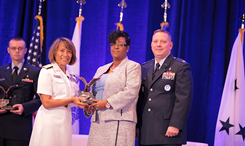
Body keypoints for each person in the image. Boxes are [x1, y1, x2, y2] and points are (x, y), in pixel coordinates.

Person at [84, 30, 141, 146]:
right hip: (98, 121)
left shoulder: (132, 67)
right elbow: (93, 93)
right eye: (113, 44)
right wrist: (89, 106)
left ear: (127, 48)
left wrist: (107, 103)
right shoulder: (101, 69)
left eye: (121, 44)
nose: (116, 47)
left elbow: (131, 91)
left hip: (119, 122)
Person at [136, 29, 193, 146]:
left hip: (168, 131)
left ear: (170, 45)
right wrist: (137, 125)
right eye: (155, 41)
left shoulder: (180, 67)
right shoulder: (144, 67)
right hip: (146, 131)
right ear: (151, 45)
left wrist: (176, 124)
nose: (158, 44)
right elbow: (140, 99)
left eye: (163, 41)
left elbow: (183, 99)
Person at [29, 37, 87, 146]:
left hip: (66, 119)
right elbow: (46, 103)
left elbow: (77, 98)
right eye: (62, 50)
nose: (66, 54)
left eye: (69, 51)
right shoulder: (47, 72)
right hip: (49, 120)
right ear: (54, 52)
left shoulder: (72, 76)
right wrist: (72, 100)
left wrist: (87, 102)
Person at [0, 36, 41, 146]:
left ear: (25, 50)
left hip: (21, 127)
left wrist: (25, 107)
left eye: (20, 48)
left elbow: (40, 99)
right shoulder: (0, 71)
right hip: (1, 124)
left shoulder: (35, 72)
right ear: (8, 50)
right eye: (13, 48)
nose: (17, 51)